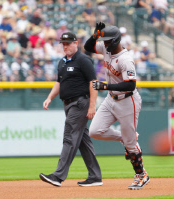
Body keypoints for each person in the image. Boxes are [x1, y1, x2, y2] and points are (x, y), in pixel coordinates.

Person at [84, 22, 150, 190]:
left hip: (128, 101)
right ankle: (126, 138)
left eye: (106, 40)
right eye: (103, 40)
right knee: (95, 131)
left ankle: (141, 175)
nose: (103, 44)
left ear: (114, 41)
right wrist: (95, 35)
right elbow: (88, 47)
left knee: (130, 143)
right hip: (111, 99)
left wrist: (106, 86)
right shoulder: (107, 48)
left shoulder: (126, 59)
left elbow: (131, 85)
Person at [39, 32, 102, 187]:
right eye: (63, 43)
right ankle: (95, 177)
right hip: (68, 104)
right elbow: (59, 83)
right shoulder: (62, 62)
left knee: (69, 137)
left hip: (80, 103)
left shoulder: (83, 60)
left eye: (68, 43)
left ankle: (58, 176)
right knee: (82, 141)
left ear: (76, 43)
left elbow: (93, 82)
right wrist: (49, 97)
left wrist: (92, 105)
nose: (65, 46)